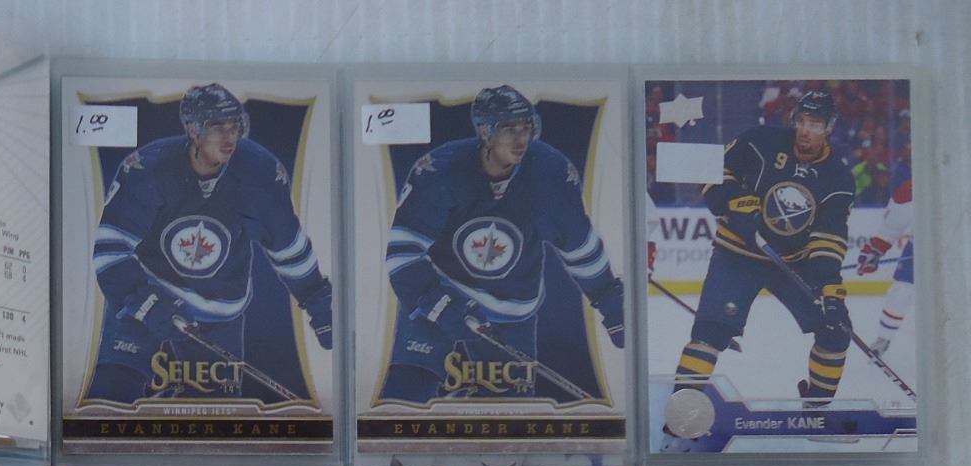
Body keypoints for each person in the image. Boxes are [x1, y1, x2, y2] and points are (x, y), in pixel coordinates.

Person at [85, 83, 332, 406]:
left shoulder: (259, 174)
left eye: (235, 126)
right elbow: (110, 248)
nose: (230, 137)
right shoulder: (150, 168)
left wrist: (319, 304)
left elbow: (289, 249)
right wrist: (143, 301)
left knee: (215, 415)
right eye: (217, 127)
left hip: (219, 310)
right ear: (193, 129)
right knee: (111, 394)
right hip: (148, 292)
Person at [377, 85, 624, 405]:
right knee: (404, 400)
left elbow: (580, 248)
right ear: (485, 131)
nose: (521, 139)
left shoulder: (550, 173)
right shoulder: (442, 168)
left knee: (509, 416)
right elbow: (402, 251)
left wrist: (610, 302)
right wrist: (437, 301)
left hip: (512, 309)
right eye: (509, 129)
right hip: (441, 292)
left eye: (526, 128)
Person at [662, 89, 857, 445]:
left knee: (836, 329)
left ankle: (816, 412)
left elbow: (828, 238)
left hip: (793, 262)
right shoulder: (760, 140)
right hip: (737, 255)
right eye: (802, 121)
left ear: (829, 128)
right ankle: (681, 417)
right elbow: (714, 172)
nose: (806, 130)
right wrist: (735, 202)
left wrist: (829, 287)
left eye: (815, 124)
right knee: (710, 333)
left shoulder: (839, 178)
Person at [855, 176, 913, 356]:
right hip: (922, 247)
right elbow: (891, 228)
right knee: (901, 291)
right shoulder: (911, 189)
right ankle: (883, 340)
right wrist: (874, 251)